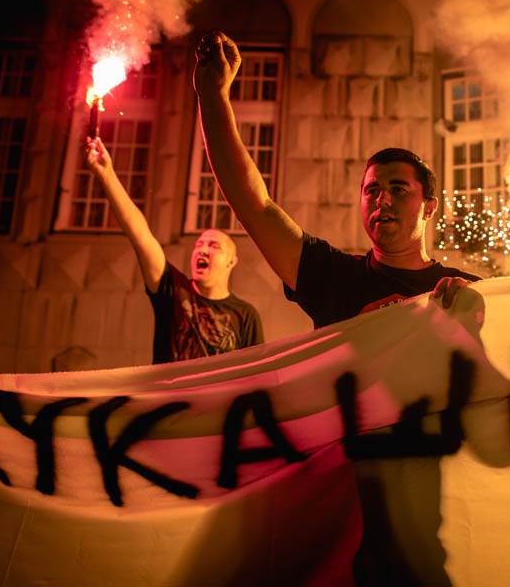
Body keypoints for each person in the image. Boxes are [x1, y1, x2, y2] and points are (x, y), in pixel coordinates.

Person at [192, 31, 478, 329]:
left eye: (398, 189)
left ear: (429, 207)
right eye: (372, 190)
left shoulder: (462, 293)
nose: (382, 200)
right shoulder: (333, 278)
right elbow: (256, 208)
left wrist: (480, 307)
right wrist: (213, 95)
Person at [84, 136, 264, 362]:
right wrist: (106, 174)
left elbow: (256, 374)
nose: (202, 250)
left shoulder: (246, 316)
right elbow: (141, 236)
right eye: (199, 244)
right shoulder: (172, 290)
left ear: (231, 261)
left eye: (213, 246)